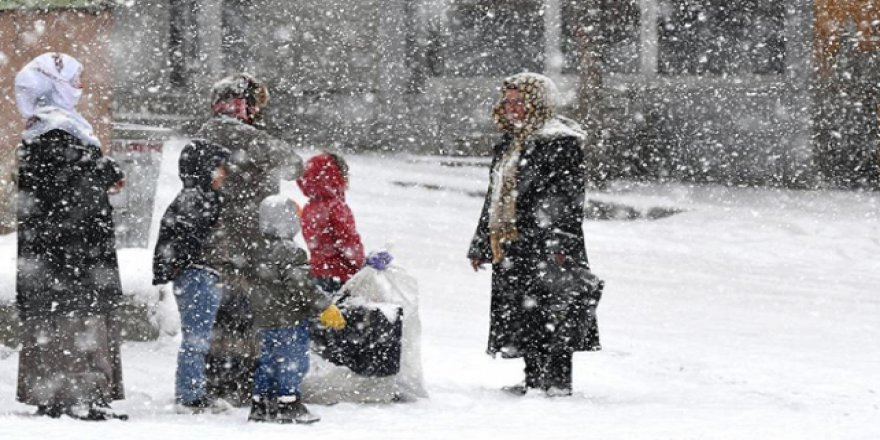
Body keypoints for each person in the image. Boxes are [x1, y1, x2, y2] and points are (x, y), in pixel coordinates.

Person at [468, 72, 602, 397]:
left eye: (519, 101)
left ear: (538, 103)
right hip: (513, 243)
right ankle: (533, 380)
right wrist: (481, 244)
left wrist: (558, 242)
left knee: (556, 308)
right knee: (524, 310)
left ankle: (557, 382)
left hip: (548, 242)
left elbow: (567, 198)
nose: (511, 107)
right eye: (508, 101)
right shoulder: (510, 143)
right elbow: (494, 196)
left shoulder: (560, 143)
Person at [14, 53, 127, 420]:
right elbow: (71, 197)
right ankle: (76, 395)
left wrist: (100, 170)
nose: (79, 87)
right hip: (70, 257)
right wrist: (100, 173)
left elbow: (69, 185)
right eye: (74, 80)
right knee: (74, 322)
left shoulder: (54, 129)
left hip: (58, 257)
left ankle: (67, 393)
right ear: (54, 84)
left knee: (62, 319)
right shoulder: (55, 132)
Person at [195, 73, 304, 405]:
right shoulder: (237, 133)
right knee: (242, 314)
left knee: (220, 315)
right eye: (254, 104)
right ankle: (236, 382)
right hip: (242, 242)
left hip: (217, 240)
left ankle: (217, 379)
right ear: (240, 104)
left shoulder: (207, 132)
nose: (258, 112)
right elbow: (293, 164)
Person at [247, 195, 346, 423]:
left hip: (264, 320)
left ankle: (261, 404)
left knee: (267, 363)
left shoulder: (258, 249)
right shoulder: (291, 251)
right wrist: (325, 306)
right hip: (288, 319)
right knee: (292, 362)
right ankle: (288, 404)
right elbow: (302, 285)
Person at [152, 140, 231, 412]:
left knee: (200, 338)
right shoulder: (195, 199)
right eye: (218, 168)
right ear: (204, 169)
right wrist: (185, 264)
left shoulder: (201, 197)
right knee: (196, 340)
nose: (223, 174)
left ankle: (195, 389)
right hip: (198, 276)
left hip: (203, 274)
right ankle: (189, 395)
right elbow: (184, 239)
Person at [296, 152, 365, 293]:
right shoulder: (336, 207)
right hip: (340, 275)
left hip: (318, 273)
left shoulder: (310, 207)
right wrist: (362, 262)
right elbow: (348, 242)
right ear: (336, 176)